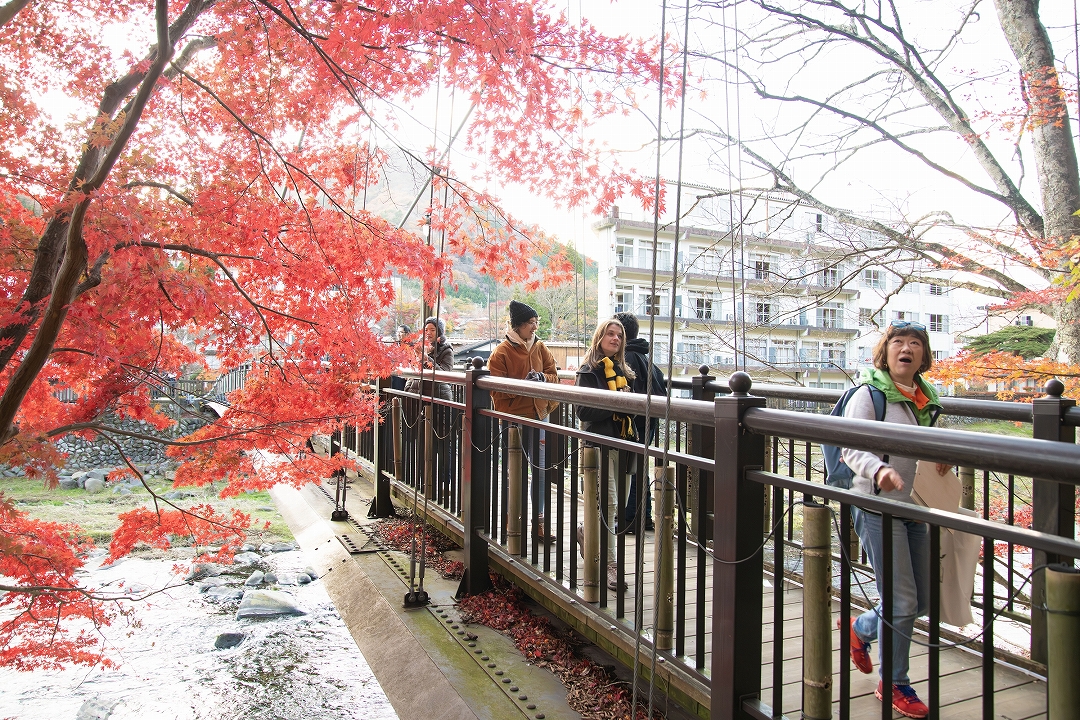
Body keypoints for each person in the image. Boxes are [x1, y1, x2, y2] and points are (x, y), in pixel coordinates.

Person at [840, 319, 947, 720]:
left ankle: (860, 629)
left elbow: (929, 439)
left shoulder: (925, 398)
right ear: (885, 352)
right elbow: (851, 446)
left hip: (913, 505)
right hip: (876, 507)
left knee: (920, 600)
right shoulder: (869, 394)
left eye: (915, 342)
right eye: (898, 341)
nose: (907, 348)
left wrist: (941, 452)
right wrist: (878, 470)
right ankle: (895, 682)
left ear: (923, 355)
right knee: (901, 600)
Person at [487, 300, 559, 543]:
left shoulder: (541, 347)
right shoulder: (501, 351)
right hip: (513, 419)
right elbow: (495, 389)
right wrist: (523, 386)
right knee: (512, 472)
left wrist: (541, 378)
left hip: (539, 415)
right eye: (530, 323)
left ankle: (538, 524)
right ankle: (511, 520)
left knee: (539, 471)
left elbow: (554, 376)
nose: (534, 327)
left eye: (536, 323)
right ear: (517, 325)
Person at [575, 319, 637, 591]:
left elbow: (634, 409)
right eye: (610, 334)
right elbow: (583, 411)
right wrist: (616, 404)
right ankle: (610, 566)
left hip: (623, 444)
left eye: (619, 335)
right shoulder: (589, 372)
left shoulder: (625, 371)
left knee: (617, 506)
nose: (615, 339)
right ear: (599, 337)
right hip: (599, 445)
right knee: (609, 505)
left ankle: (585, 533)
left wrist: (627, 404)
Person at [613, 312, 666, 533]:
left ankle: (632, 517)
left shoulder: (627, 358)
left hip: (634, 421)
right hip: (649, 419)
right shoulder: (646, 357)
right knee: (639, 466)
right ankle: (642, 516)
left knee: (631, 467)